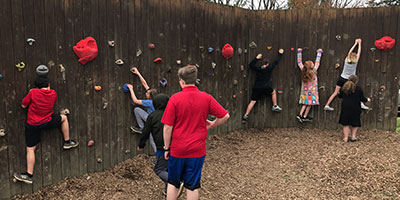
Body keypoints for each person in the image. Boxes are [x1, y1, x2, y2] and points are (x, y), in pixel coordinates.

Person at [162, 65, 230, 200]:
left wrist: (166, 147)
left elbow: (167, 127)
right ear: (195, 79)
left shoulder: (175, 99)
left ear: (182, 81)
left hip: (178, 149)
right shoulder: (206, 98)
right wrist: (212, 124)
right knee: (192, 185)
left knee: (173, 183)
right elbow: (225, 116)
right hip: (197, 150)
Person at [14, 76, 78, 184]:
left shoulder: (33, 92)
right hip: (47, 121)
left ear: (37, 86)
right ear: (48, 85)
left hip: (33, 124)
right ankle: (67, 141)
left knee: (30, 149)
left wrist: (31, 93)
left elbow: (23, 105)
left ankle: (29, 175)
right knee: (64, 118)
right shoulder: (53, 93)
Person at [137, 93, 172, 196]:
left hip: (162, 148)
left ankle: (175, 182)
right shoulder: (172, 114)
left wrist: (141, 145)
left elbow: (145, 132)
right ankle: (168, 191)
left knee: (159, 169)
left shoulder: (152, 116)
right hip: (176, 147)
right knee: (168, 168)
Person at [324, 39, 369, 111]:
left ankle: (327, 105)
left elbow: (349, 52)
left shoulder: (346, 60)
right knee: (356, 91)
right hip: (349, 80)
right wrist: (359, 44)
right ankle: (361, 103)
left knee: (335, 92)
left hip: (341, 78)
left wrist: (355, 43)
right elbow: (359, 52)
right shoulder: (355, 62)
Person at [242, 49, 284, 121]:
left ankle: (246, 115)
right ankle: (275, 105)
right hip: (265, 87)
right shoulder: (269, 68)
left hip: (256, 88)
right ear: (267, 64)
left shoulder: (258, 69)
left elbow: (251, 65)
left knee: (252, 101)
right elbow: (276, 62)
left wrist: (256, 58)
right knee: (273, 92)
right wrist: (280, 54)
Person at [126, 67, 158, 153]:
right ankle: (160, 160)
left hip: (151, 121)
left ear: (150, 96)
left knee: (136, 110)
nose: (146, 93)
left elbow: (135, 101)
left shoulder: (149, 102)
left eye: (147, 93)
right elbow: (145, 84)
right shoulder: (156, 98)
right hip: (157, 122)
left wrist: (131, 89)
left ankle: (142, 128)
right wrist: (138, 73)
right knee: (153, 141)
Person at [338, 75, 370, 142]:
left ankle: (346, 138)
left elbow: (340, 96)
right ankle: (353, 136)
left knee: (345, 123)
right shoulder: (358, 88)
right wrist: (367, 99)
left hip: (345, 107)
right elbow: (362, 98)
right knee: (355, 122)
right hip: (355, 107)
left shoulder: (344, 87)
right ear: (356, 81)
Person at [296, 48, 323, 122]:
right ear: (311, 66)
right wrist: (319, 52)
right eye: (312, 64)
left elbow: (299, 62)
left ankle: (301, 115)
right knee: (310, 104)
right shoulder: (313, 71)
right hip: (312, 91)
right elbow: (318, 62)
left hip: (305, 92)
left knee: (305, 103)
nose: (313, 64)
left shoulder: (303, 71)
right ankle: (304, 116)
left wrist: (299, 52)